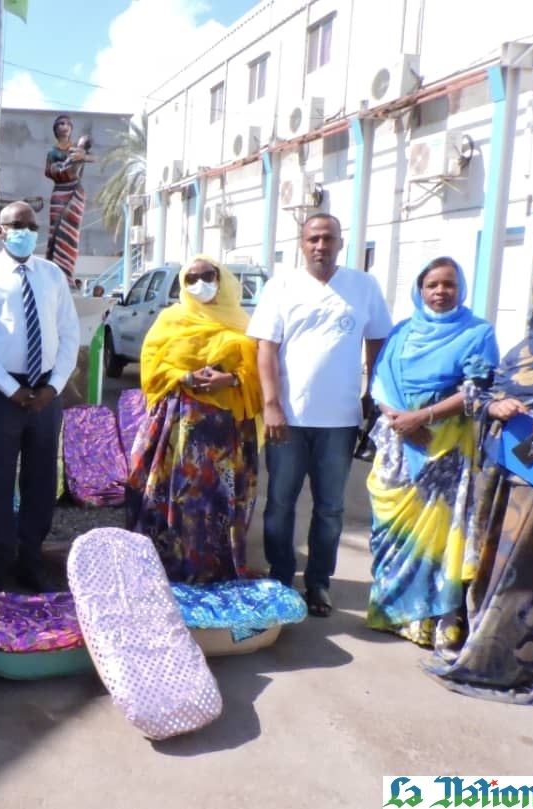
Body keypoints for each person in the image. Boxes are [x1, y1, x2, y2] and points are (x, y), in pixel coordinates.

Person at [247, 213, 393, 617]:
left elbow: (378, 341)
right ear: (301, 242)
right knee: (280, 502)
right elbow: (266, 350)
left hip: (341, 420)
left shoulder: (363, 287)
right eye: (313, 238)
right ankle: (280, 578)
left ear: (340, 243)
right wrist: (272, 404)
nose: (320, 246)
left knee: (330, 507)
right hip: (289, 420)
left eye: (328, 238)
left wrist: (370, 395)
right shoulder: (282, 286)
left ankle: (318, 584)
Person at [366, 258, 499, 650]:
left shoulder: (478, 332)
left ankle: (432, 621)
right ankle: (393, 614)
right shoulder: (402, 332)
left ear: (461, 290)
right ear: (420, 290)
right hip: (397, 443)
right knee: (391, 529)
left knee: (440, 536)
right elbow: (379, 383)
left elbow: (478, 389)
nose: (441, 292)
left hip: (446, 448)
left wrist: (423, 416)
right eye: (433, 285)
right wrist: (400, 420)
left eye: (449, 285)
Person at [423, 277, 533, 704]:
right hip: (508, 481)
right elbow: (479, 394)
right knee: (497, 571)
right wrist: (494, 406)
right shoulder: (522, 351)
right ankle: (487, 645)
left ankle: (515, 660)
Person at [0, 200, 81, 591]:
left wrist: (53, 387)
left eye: (31, 226)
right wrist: (11, 389)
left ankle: (31, 560)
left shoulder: (52, 275)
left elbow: (69, 334)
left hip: (46, 393)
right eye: (16, 226)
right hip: (0, 394)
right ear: (0, 231)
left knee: (41, 481)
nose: (25, 232)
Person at [126, 256, 263, 582]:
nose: (200, 284)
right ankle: (169, 569)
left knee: (216, 504)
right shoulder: (170, 320)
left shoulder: (243, 323)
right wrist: (185, 376)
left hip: (224, 436)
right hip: (175, 429)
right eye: (191, 278)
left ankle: (214, 570)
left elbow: (258, 372)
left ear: (223, 279)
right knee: (176, 498)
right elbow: (151, 367)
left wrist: (228, 380)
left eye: (208, 276)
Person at [44, 115, 94, 286]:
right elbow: (50, 170)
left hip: (76, 192)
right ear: (55, 128)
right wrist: (66, 165)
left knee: (71, 234)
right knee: (56, 233)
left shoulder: (77, 150)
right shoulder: (53, 151)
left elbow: (92, 159)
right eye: (60, 124)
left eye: (67, 124)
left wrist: (82, 156)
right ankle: (55, 274)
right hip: (60, 191)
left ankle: (67, 276)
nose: (64, 127)